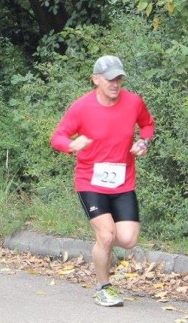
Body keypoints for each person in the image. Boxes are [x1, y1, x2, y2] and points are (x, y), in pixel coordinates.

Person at [51, 55, 154, 307]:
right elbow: (58, 137)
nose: (115, 83)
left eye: (118, 78)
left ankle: (101, 245)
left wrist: (144, 142)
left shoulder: (133, 102)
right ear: (96, 79)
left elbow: (147, 125)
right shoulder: (82, 107)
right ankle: (103, 287)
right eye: (110, 79)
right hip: (90, 181)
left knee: (128, 239)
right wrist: (71, 145)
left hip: (123, 182)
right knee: (107, 236)